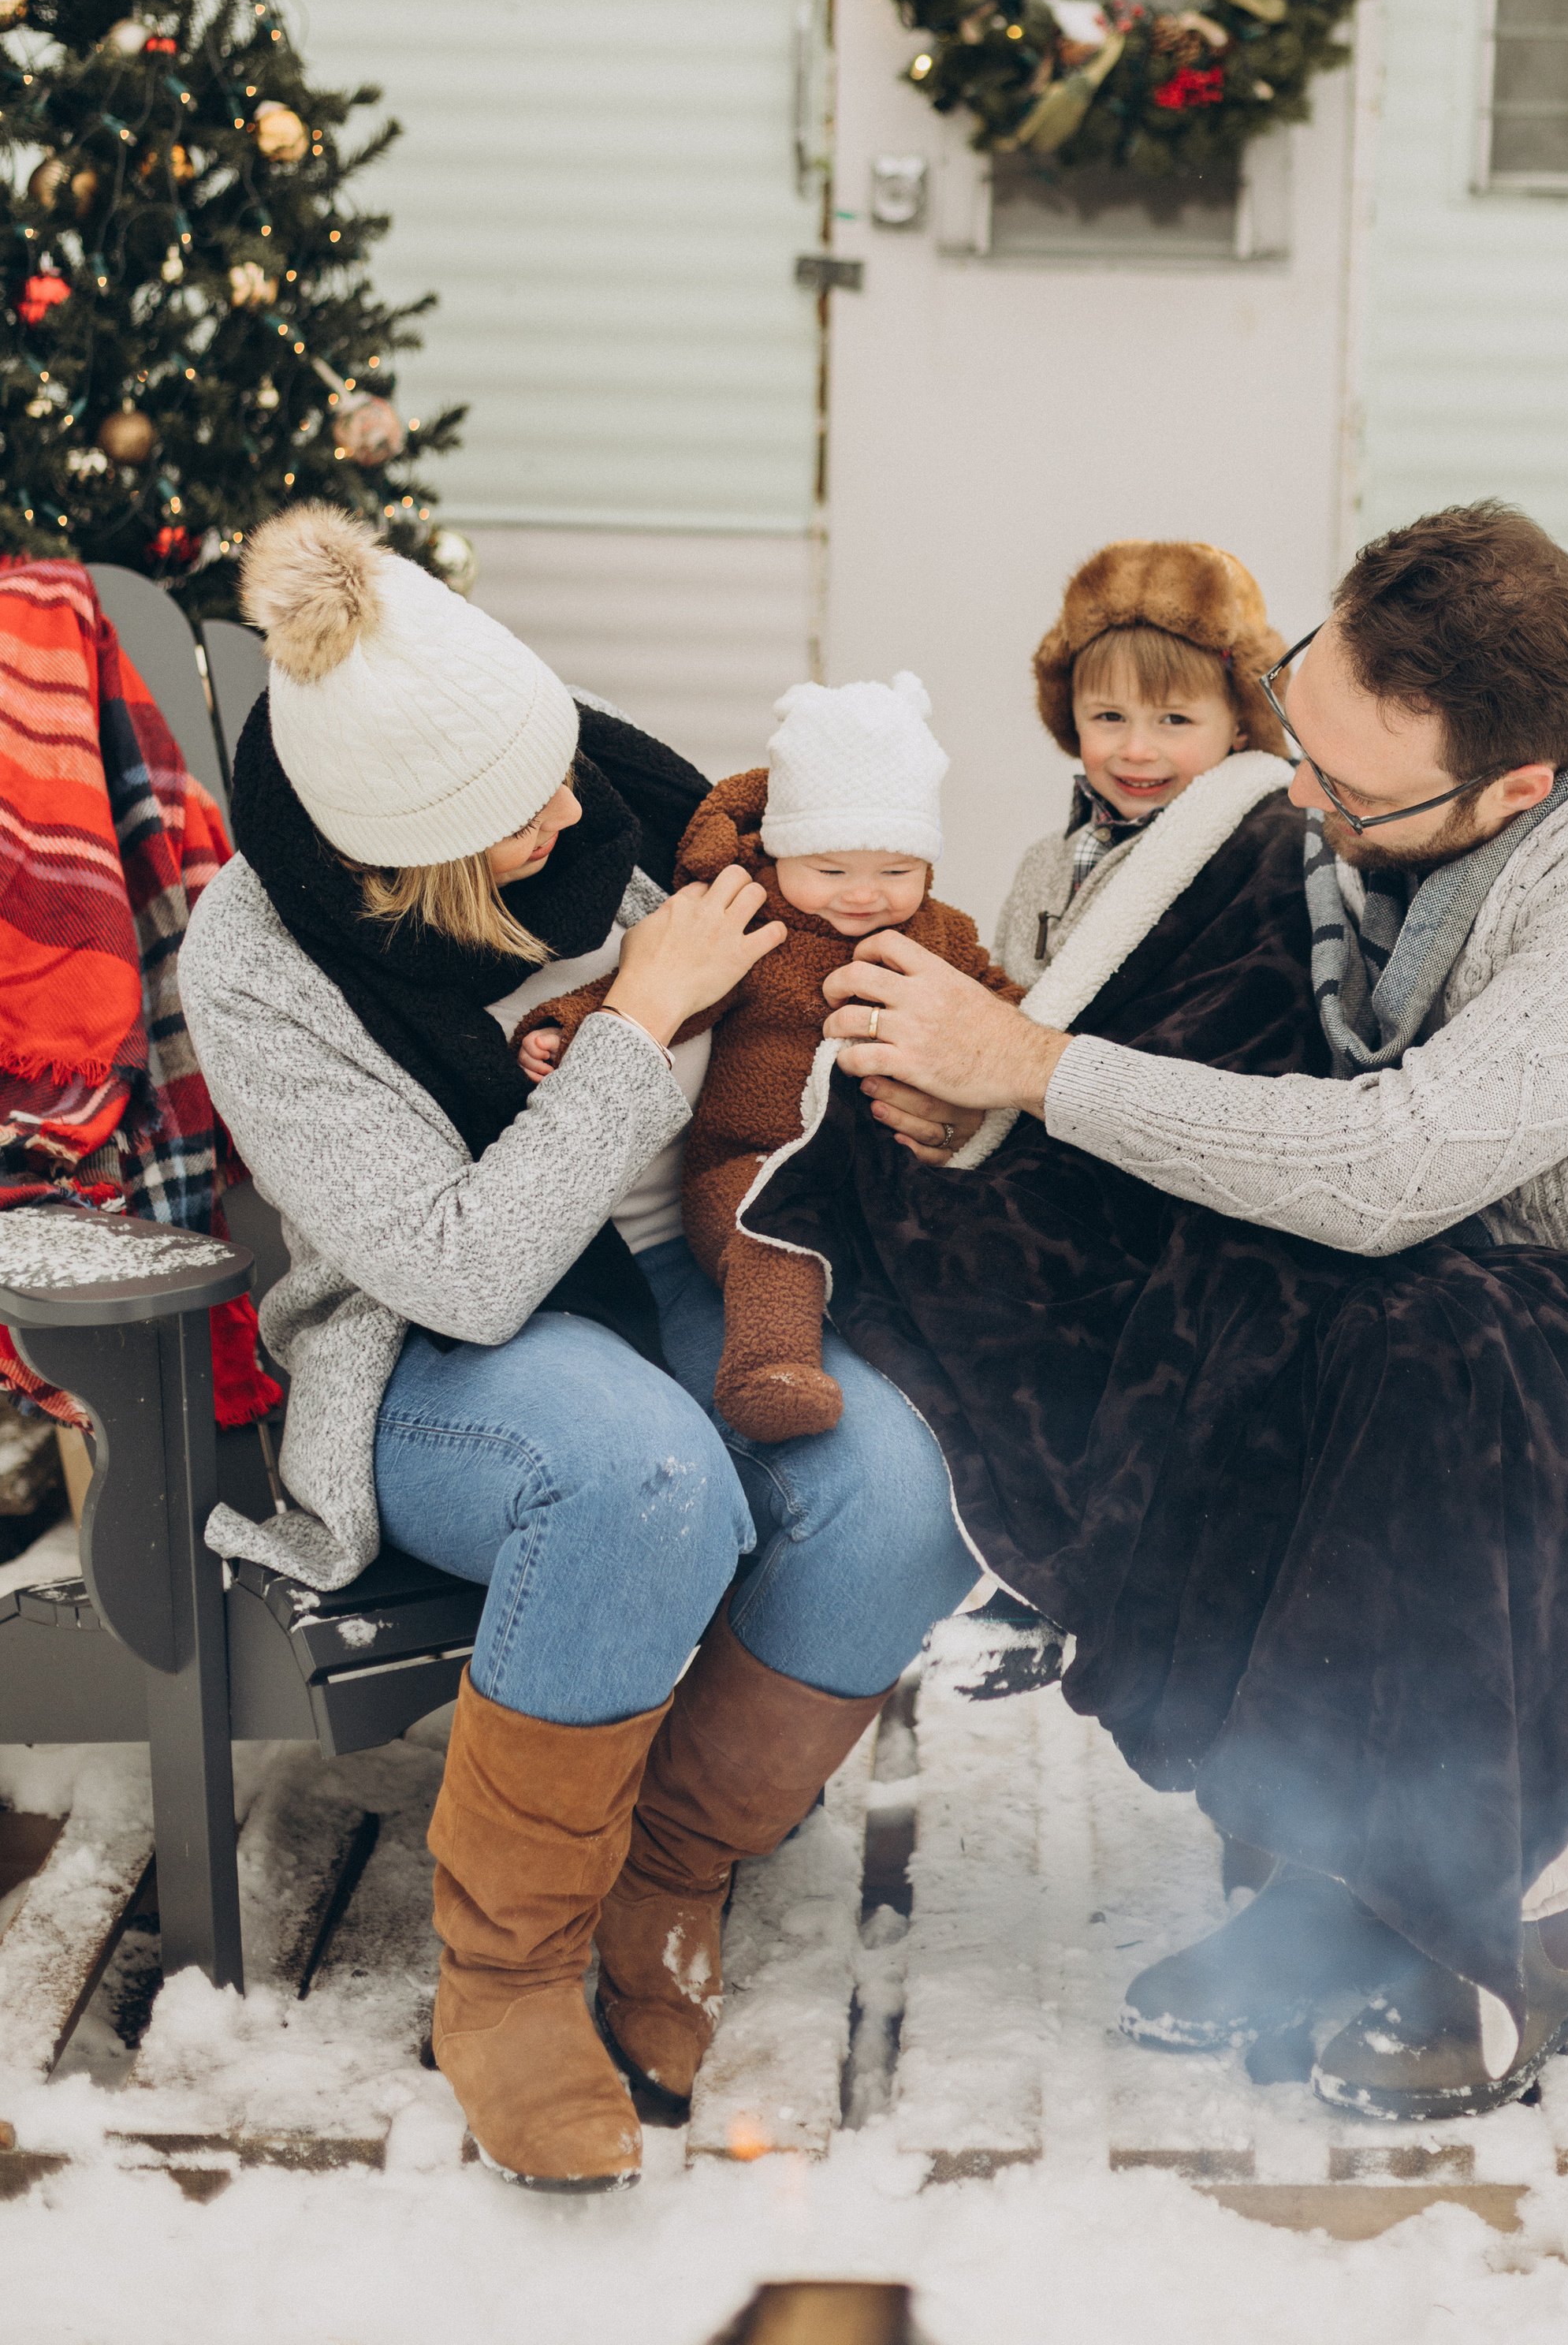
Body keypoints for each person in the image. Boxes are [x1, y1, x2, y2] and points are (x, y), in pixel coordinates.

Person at [814, 501, 1568, 2119]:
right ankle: (1344, 1852)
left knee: (1422, 1361)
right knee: (1226, 1296)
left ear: (1514, 792)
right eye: (1294, 721)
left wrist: (1035, 1070)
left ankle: (1497, 1917)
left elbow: (1391, 1171)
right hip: (1497, 1264)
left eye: (1340, 791)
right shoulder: (1435, 730)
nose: (1301, 804)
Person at [180, 508, 977, 2193]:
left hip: (686, 1259)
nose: (575, 816)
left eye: (556, 767)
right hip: (436, 1348)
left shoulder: (610, 798)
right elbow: (456, 1273)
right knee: (638, 1477)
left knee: (899, 1490)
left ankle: (667, 1877)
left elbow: (758, 1052)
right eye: (522, 816)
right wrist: (630, 1026)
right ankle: (510, 1981)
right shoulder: (265, 961)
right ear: (406, 872)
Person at [513, 673, 1022, 1442]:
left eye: (895, 872)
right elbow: (663, 993)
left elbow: (1003, 1012)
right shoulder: (750, 925)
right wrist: (568, 1024)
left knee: (982, 1240)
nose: (863, 896)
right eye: (830, 869)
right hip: (749, 1161)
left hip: (891, 1172)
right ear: (781, 852)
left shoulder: (940, 935)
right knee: (773, 1232)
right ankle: (768, 1371)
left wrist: (1029, 1048)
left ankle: (997, 1389)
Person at [991, 540, 1284, 986]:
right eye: (1110, 716)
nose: (1137, 751)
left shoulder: (1257, 860)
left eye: (1174, 719)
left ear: (1241, 725)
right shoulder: (1045, 862)